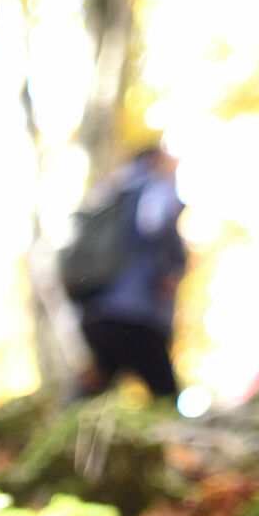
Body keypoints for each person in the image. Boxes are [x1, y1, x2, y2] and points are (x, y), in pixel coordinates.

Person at [72, 145, 188, 401]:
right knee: (165, 393)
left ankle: (59, 435)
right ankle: (178, 438)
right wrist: (174, 265)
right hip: (139, 312)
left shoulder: (114, 189)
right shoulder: (157, 185)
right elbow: (157, 223)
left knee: (94, 383)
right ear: (156, 160)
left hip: (98, 308)